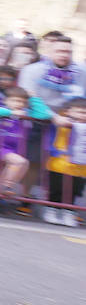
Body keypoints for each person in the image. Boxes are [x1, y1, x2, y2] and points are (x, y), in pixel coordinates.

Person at [44, 97, 86, 226]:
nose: (83, 115)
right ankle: (51, 210)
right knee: (56, 189)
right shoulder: (62, 121)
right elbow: (42, 112)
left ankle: (68, 212)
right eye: (80, 111)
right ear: (68, 111)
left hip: (80, 166)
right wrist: (56, 117)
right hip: (60, 164)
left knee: (75, 190)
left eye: (85, 112)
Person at [19, 33, 84, 112]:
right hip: (39, 116)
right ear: (50, 53)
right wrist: (54, 117)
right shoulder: (31, 70)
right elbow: (27, 98)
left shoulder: (81, 72)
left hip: (73, 117)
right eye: (59, 51)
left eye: (68, 52)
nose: (64, 55)